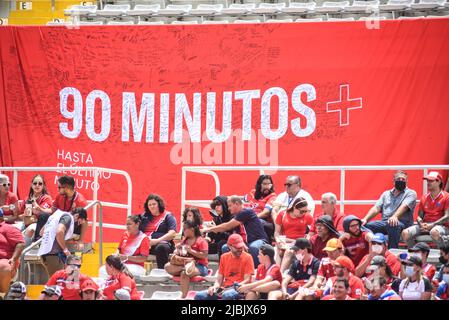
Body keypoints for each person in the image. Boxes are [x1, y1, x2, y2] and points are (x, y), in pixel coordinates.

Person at [202, 195, 268, 266]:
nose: (228, 208)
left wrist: (208, 229)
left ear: (236, 203)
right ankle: (232, 272)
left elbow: (227, 226)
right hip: (245, 242)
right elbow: (233, 234)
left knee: (253, 248)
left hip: (258, 240)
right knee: (225, 247)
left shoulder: (246, 211)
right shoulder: (234, 216)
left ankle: (255, 272)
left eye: (230, 206)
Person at [362, 171, 417, 249]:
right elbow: (376, 208)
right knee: (363, 226)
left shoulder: (411, 193)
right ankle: (374, 249)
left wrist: (395, 217)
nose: (401, 181)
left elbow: (404, 206)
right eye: (398, 179)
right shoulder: (386, 194)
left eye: (403, 179)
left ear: (406, 181)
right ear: (393, 180)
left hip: (401, 223)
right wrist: (365, 219)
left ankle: (392, 252)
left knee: (393, 224)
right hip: (384, 222)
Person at [194, 234, 254, 300]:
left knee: (227, 295)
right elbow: (219, 279)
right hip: (224, 288)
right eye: (237, 247)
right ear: (229, 246)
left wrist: (233, 287)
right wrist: (214, 287)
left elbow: (247, 280)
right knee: (199, 296)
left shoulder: (248, 257)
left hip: (239, 289)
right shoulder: (224, 257)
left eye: (241, 247)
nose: (240, 249)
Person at [34, 175, 88, 242]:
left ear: (66, 188)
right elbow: (52, 210)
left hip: (72, 226)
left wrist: (81, 241)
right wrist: (40, 209)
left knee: (70, 220)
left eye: (59, 187)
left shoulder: (80, 201)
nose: (57, 189)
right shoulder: (59, 196)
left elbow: (84, 222)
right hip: (59, 223)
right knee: (43, 216)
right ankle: (37, 241)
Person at [402, 171, 449, 248]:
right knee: (405, 233)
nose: (428, 183)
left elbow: (447, 216)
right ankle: (415, 252)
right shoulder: (424, 197)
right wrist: (421, 224)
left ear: (439, 182)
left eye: (431, 181)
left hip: (441, 226)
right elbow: (419, 216)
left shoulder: (446, 196)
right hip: (425, 225)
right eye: (427, 181)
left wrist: (433, 224)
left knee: (434, 232)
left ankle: (444, 254)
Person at [165, 220, 209, 299]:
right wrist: (177, 250)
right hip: (185, 265)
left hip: (200, 266)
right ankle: (185, 269)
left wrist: (191, 251)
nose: (183, 230)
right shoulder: (184, 240)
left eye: (185, 229)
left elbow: (204, 255)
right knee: (167, 266)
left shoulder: (201, 241)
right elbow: (181, 252)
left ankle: (183, 297)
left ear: (192, 229)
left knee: (184, 273)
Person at [139, 194, 177, 269]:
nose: (152, 206)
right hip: (146, 245)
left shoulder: (168, 216)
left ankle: (162, 272)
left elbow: (172, 233)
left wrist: (157, 241)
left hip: (161, 243)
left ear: (159, 204)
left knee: (161, 247)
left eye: (154, 204)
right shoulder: (144, 217)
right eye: (149, 205)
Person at [37, 206, 75, 277]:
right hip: (54, 254)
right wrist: (65, 249)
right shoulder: (67, 216)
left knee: (54, 281)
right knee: (57, 284)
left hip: (44, 253)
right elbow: (59, 232)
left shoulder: (53, 217)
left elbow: (41, 232)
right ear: (76, 215)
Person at [274, 197, 313, 266]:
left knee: (289, 252)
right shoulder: (283, 215)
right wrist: (279, 241)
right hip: (285, 241)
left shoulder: (307, 217)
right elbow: (277, 232)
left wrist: (307, 239)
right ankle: (276, 272)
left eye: (305, 211)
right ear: (295, 208)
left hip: (299, 243)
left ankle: (281, 272)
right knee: (279, 252)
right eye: (301, 211)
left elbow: (313, 231)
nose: (303, 213)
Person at [20, 175, 53, 247]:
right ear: (31, 185)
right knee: (13, 229)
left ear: (43, 186)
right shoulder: (27, 198)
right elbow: (20, 215)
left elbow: (41, 215)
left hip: (39, 225)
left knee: (31, 229)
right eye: (35, 183)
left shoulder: (46, 198)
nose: (37, 185)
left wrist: (34, 203)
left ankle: (23, 251)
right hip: (25, 223)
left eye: (40, 183)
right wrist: (25, 215)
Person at [243, 175, 277, 240]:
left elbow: (266, 213)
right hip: (248, 218)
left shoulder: (272, 196)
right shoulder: (252, 192)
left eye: (269, 184)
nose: (267, 187)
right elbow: (243, 204)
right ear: (259, 185)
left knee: (258, 221)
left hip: (261, 221)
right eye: (264, 184)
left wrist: (252, 218)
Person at [0, 208, 25, 295]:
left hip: (4, 260)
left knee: (3, 266)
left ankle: (3, 295)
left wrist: (14, 259)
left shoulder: (8, 228)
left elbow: (20, 244)